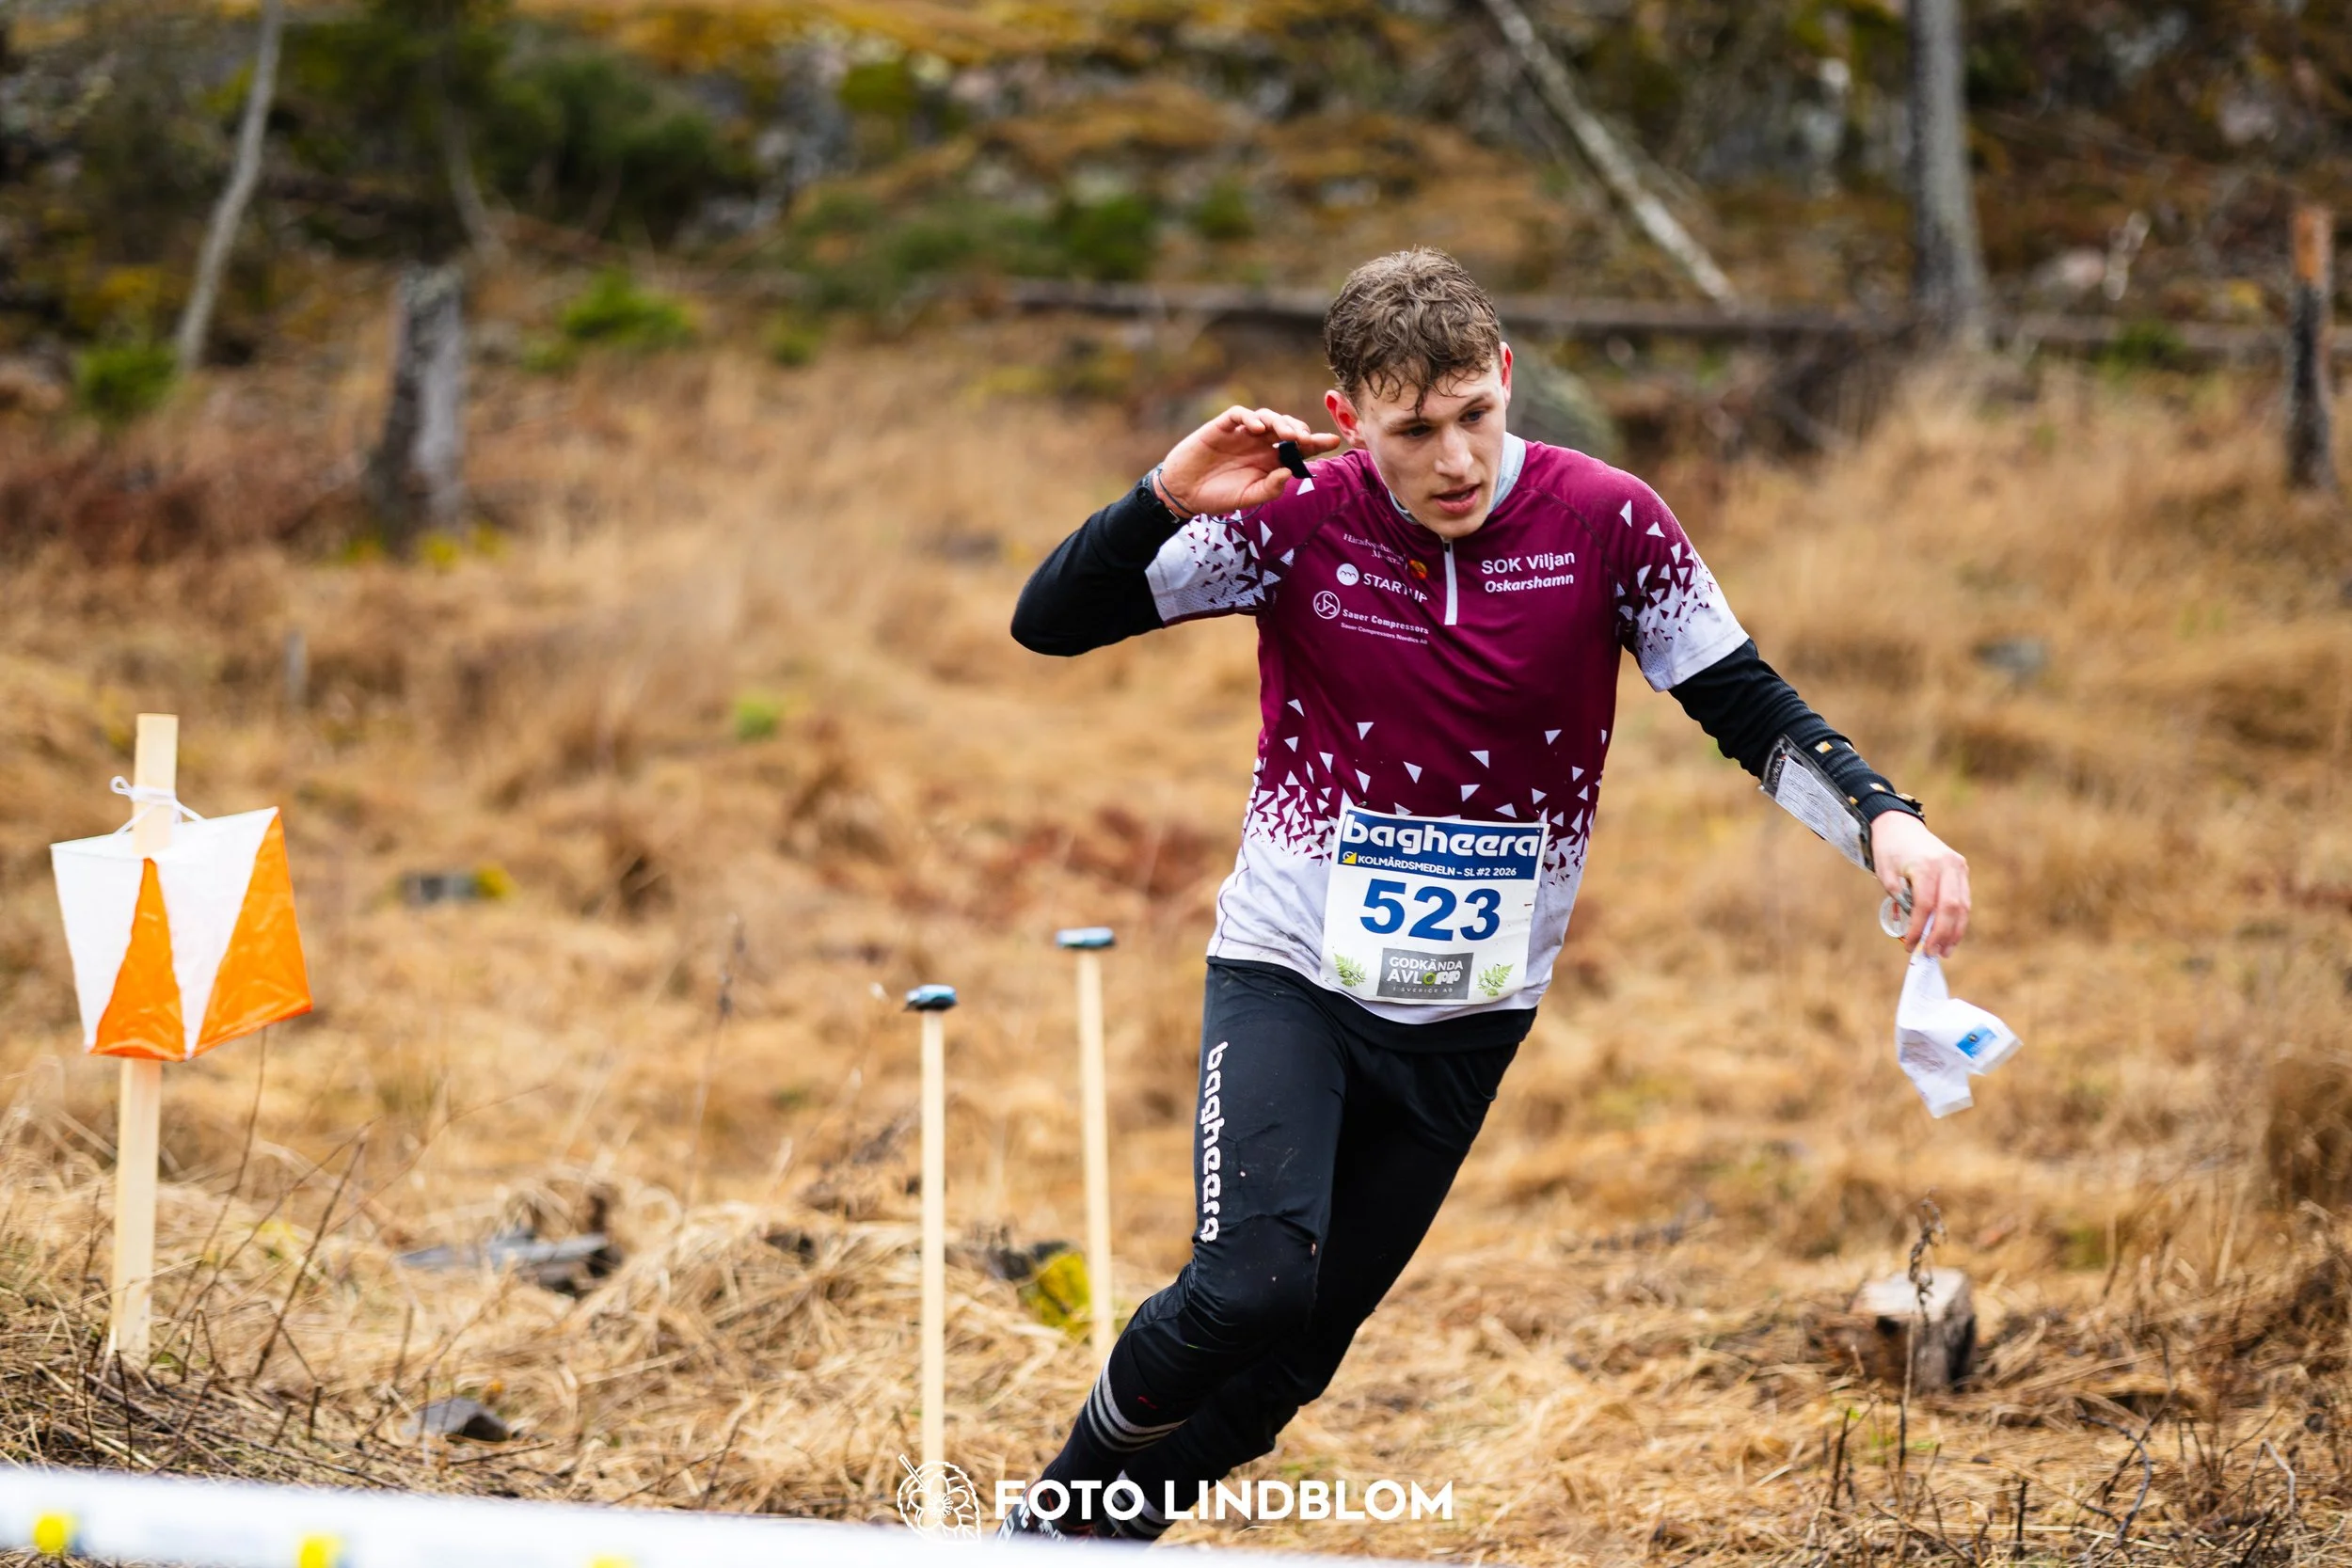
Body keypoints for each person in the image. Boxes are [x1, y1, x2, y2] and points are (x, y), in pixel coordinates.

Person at [1000, 248, 1970, 1541]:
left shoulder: (1609, 521)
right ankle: (1046, 1530)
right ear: (1349, 418)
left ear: (1506, 376)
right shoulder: (1297, 517)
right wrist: (1163, 498)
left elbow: (1744, 703)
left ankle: (1099, 1540)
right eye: (1415, 431)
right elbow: (1050, 621)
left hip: (1472, 1010)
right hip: (1293, 969)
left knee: (1293, 1363)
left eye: (1477, 414)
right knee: (1249, 1291)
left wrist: (1884, 819)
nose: (1456, 459)